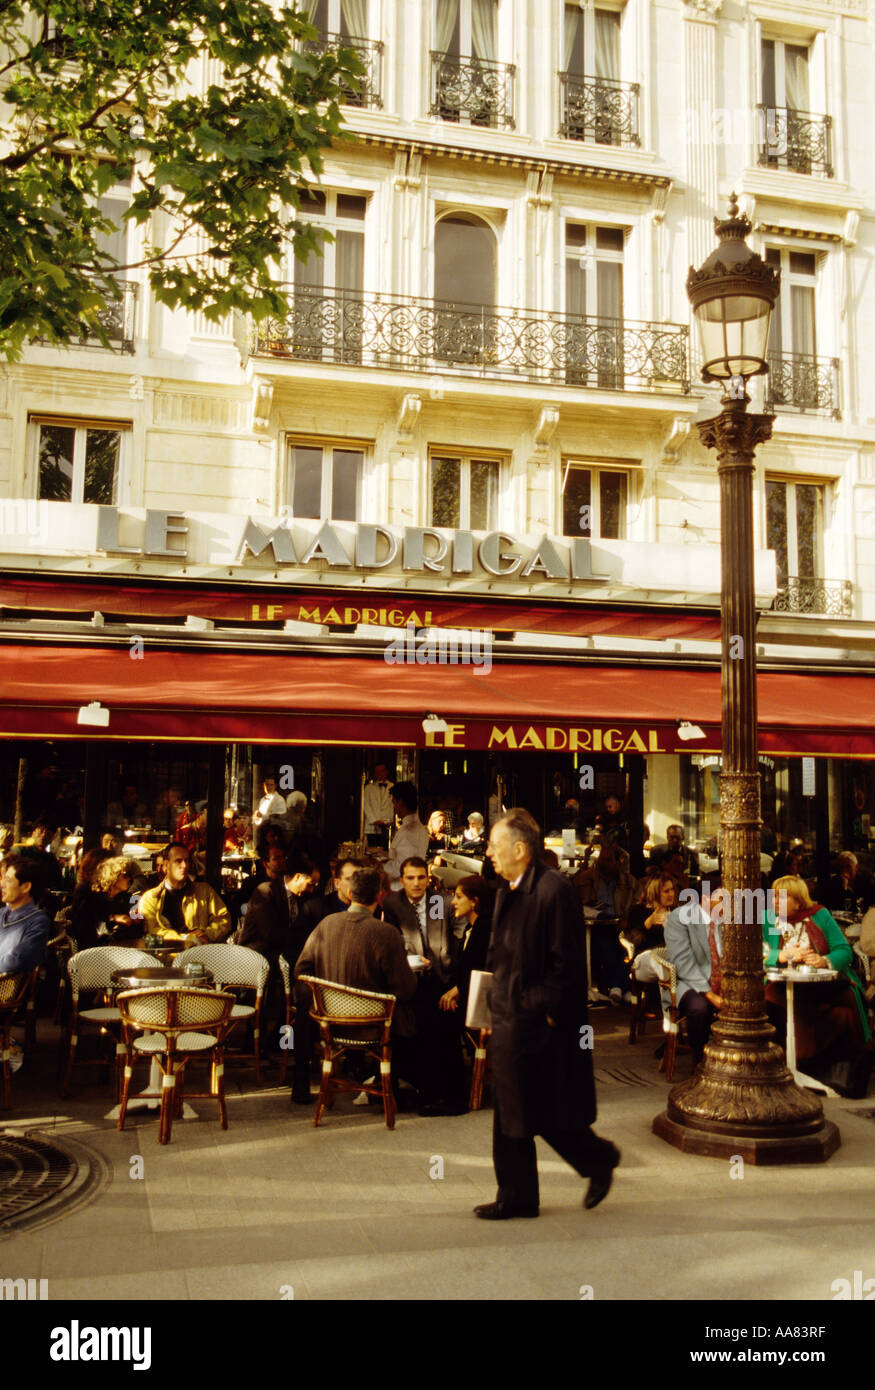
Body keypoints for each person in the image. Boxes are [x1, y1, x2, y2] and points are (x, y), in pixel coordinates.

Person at [473, 808, 619, 1220]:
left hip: (540, 1024)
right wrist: (488, 1008)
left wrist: (539, 1010)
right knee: (511, 1110)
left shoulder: (554, 890)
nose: (488, 853)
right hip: (507, 1017)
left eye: (494, 846)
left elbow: (568, 968)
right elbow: (497, 954)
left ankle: (599, 1158)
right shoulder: (505, 889)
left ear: (520, 849)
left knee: (546, 1111)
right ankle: (516, 1195)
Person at [293, 866, 419, 1106]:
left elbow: (302, 972)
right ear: (380, 896)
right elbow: (405, 988)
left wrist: (322, 1001)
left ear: (350, 893)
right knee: (414, 1013)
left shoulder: (326, 925)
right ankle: (396, 1086)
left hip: (329, 1022)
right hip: (374, 1025)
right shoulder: (386, 933)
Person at [764, 874, 870, 1079]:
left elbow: (844, 951)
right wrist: (782, 955)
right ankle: (795, 1062)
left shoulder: (820, 915)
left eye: (782, 897)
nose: (775, 902)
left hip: (821, 984)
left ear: (798, 900)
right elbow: (757, 953)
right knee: (775, 1000)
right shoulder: (768, 919)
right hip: (780, 983)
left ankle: (838, 1066)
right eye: (774, 897)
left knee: (848, 999)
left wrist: (823, 961)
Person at [382, 856, 464, 1113]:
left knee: (443, 1020)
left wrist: (446, 975)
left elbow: (443, 940)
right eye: (410, 878)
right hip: (409, 978)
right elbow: (393, 941)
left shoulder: (439, 901)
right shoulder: (393, 904)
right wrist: (411, 958)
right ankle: (423, 1089)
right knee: (413, 1023)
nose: (417, 884)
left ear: (428, 878)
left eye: (421, 878)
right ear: (401, 880)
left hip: (441, 977)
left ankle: (446, 1095)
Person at [663, 876, 724, 1066]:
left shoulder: (727, 919)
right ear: (705, 898)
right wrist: (711, 996)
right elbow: (683, 963)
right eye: (723, 899)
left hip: (721, 979)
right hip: (687, 982)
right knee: (700, 1008)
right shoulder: (680, 917)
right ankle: (699, 1063)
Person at [573, 842, 637, 1005]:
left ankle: (618, 987)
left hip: (621, 925)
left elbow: (635, 903)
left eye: (608, 860)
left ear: (618, 862)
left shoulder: (628, 882)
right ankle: (622, 988)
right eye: (602, 859)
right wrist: (586, 862)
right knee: (606, 948)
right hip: (598, 925)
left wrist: (627, 918)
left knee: (626, 948)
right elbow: (577, 889)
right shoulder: (591, 878)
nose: (604, 863)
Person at [137, 842, 230, 944]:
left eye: (187, 861)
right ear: (166, 866)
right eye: (178, 861)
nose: (184, 865)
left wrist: (206, 933)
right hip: (167, 956)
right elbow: (153, 931)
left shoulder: (205, 891)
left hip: (200, 954)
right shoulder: (150, 898)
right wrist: (186, 938)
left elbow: (223, 919)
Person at [439, 874, 494, 1018]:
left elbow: (482, 970)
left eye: (458, 897)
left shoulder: (486, 929)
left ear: (474, 901)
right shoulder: (470, 928)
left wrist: (458, 990)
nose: (453, 902)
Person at [0, 854, 52, 973]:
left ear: (26, 887)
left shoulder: (38, 922)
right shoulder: (2, 914)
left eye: (8, 880)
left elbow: (17, 961)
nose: (1, 885)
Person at [383, 782, 429, 890]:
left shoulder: (408, 832)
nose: (393, 807)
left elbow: (401, 867)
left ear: (400, 802)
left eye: (394, 802)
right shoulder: (418, 828)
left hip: (399, 890)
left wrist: (378, 867)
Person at [89, 856, 138, 941]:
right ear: (114, 876)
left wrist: (137, 918)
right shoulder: (94, 898)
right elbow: (90, 925)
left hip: (123, 945)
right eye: (125, 875)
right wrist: (113, 918)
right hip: (97, 948)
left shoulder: (126, 897)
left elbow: (136, 919)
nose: (129, 878)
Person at [825, 852, 875, 916]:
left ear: (856, 867)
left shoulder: (867, 880)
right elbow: (833, 908)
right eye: (842, 867)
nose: (845, 870)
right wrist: (843, 888)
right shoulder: (834, 883)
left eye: (848, 867)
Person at [362, 762, 394, 849]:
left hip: (387, 826)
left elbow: (393, 806)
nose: (380, 773)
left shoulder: (393, 786)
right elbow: (366, 805)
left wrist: (389, 821)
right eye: (377, 772)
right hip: (372, 827)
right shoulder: (368, 788)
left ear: (386, 772)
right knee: (372, 850)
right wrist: (374, 820)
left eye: (382, 771)